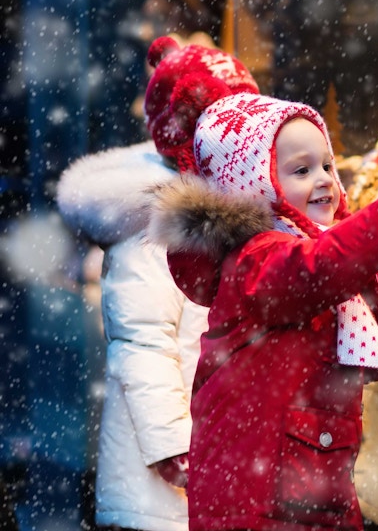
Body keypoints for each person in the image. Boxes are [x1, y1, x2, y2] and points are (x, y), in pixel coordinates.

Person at [143, 35, 378, 531]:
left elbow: (330, 281)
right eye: (301, 170)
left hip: (303, 474)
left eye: (327, 165)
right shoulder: (257, 257)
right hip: (262, 490)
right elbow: (317, 270)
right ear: (254, 184)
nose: (326, 179)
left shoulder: (297, 252)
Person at [56, 35, 260, 530]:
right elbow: (141, 341)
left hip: (216, 447)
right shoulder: (154, 225)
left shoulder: (228, 213)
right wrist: (172, 444)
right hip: (167, 471)